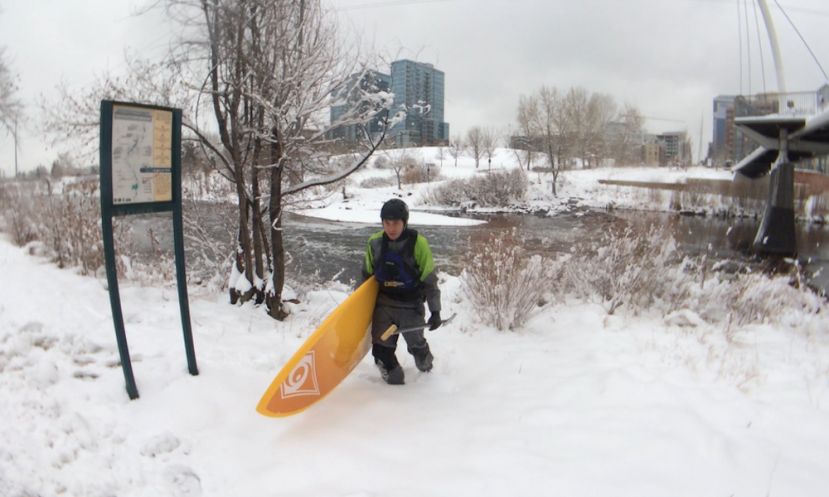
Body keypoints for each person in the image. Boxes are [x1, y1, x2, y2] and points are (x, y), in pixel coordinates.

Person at [362, 198, 442, 385]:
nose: (391, 228)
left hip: (410, 304)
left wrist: (435, 311)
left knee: (419, 350)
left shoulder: (418, 243)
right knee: (383, 352)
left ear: (404, 222)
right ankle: (389, 371)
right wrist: (363, 313)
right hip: (383, 305)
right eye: (387, 223)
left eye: (396, 223)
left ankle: (425, 363)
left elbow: (429, 280)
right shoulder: (374, 243)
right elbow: (366, 277)